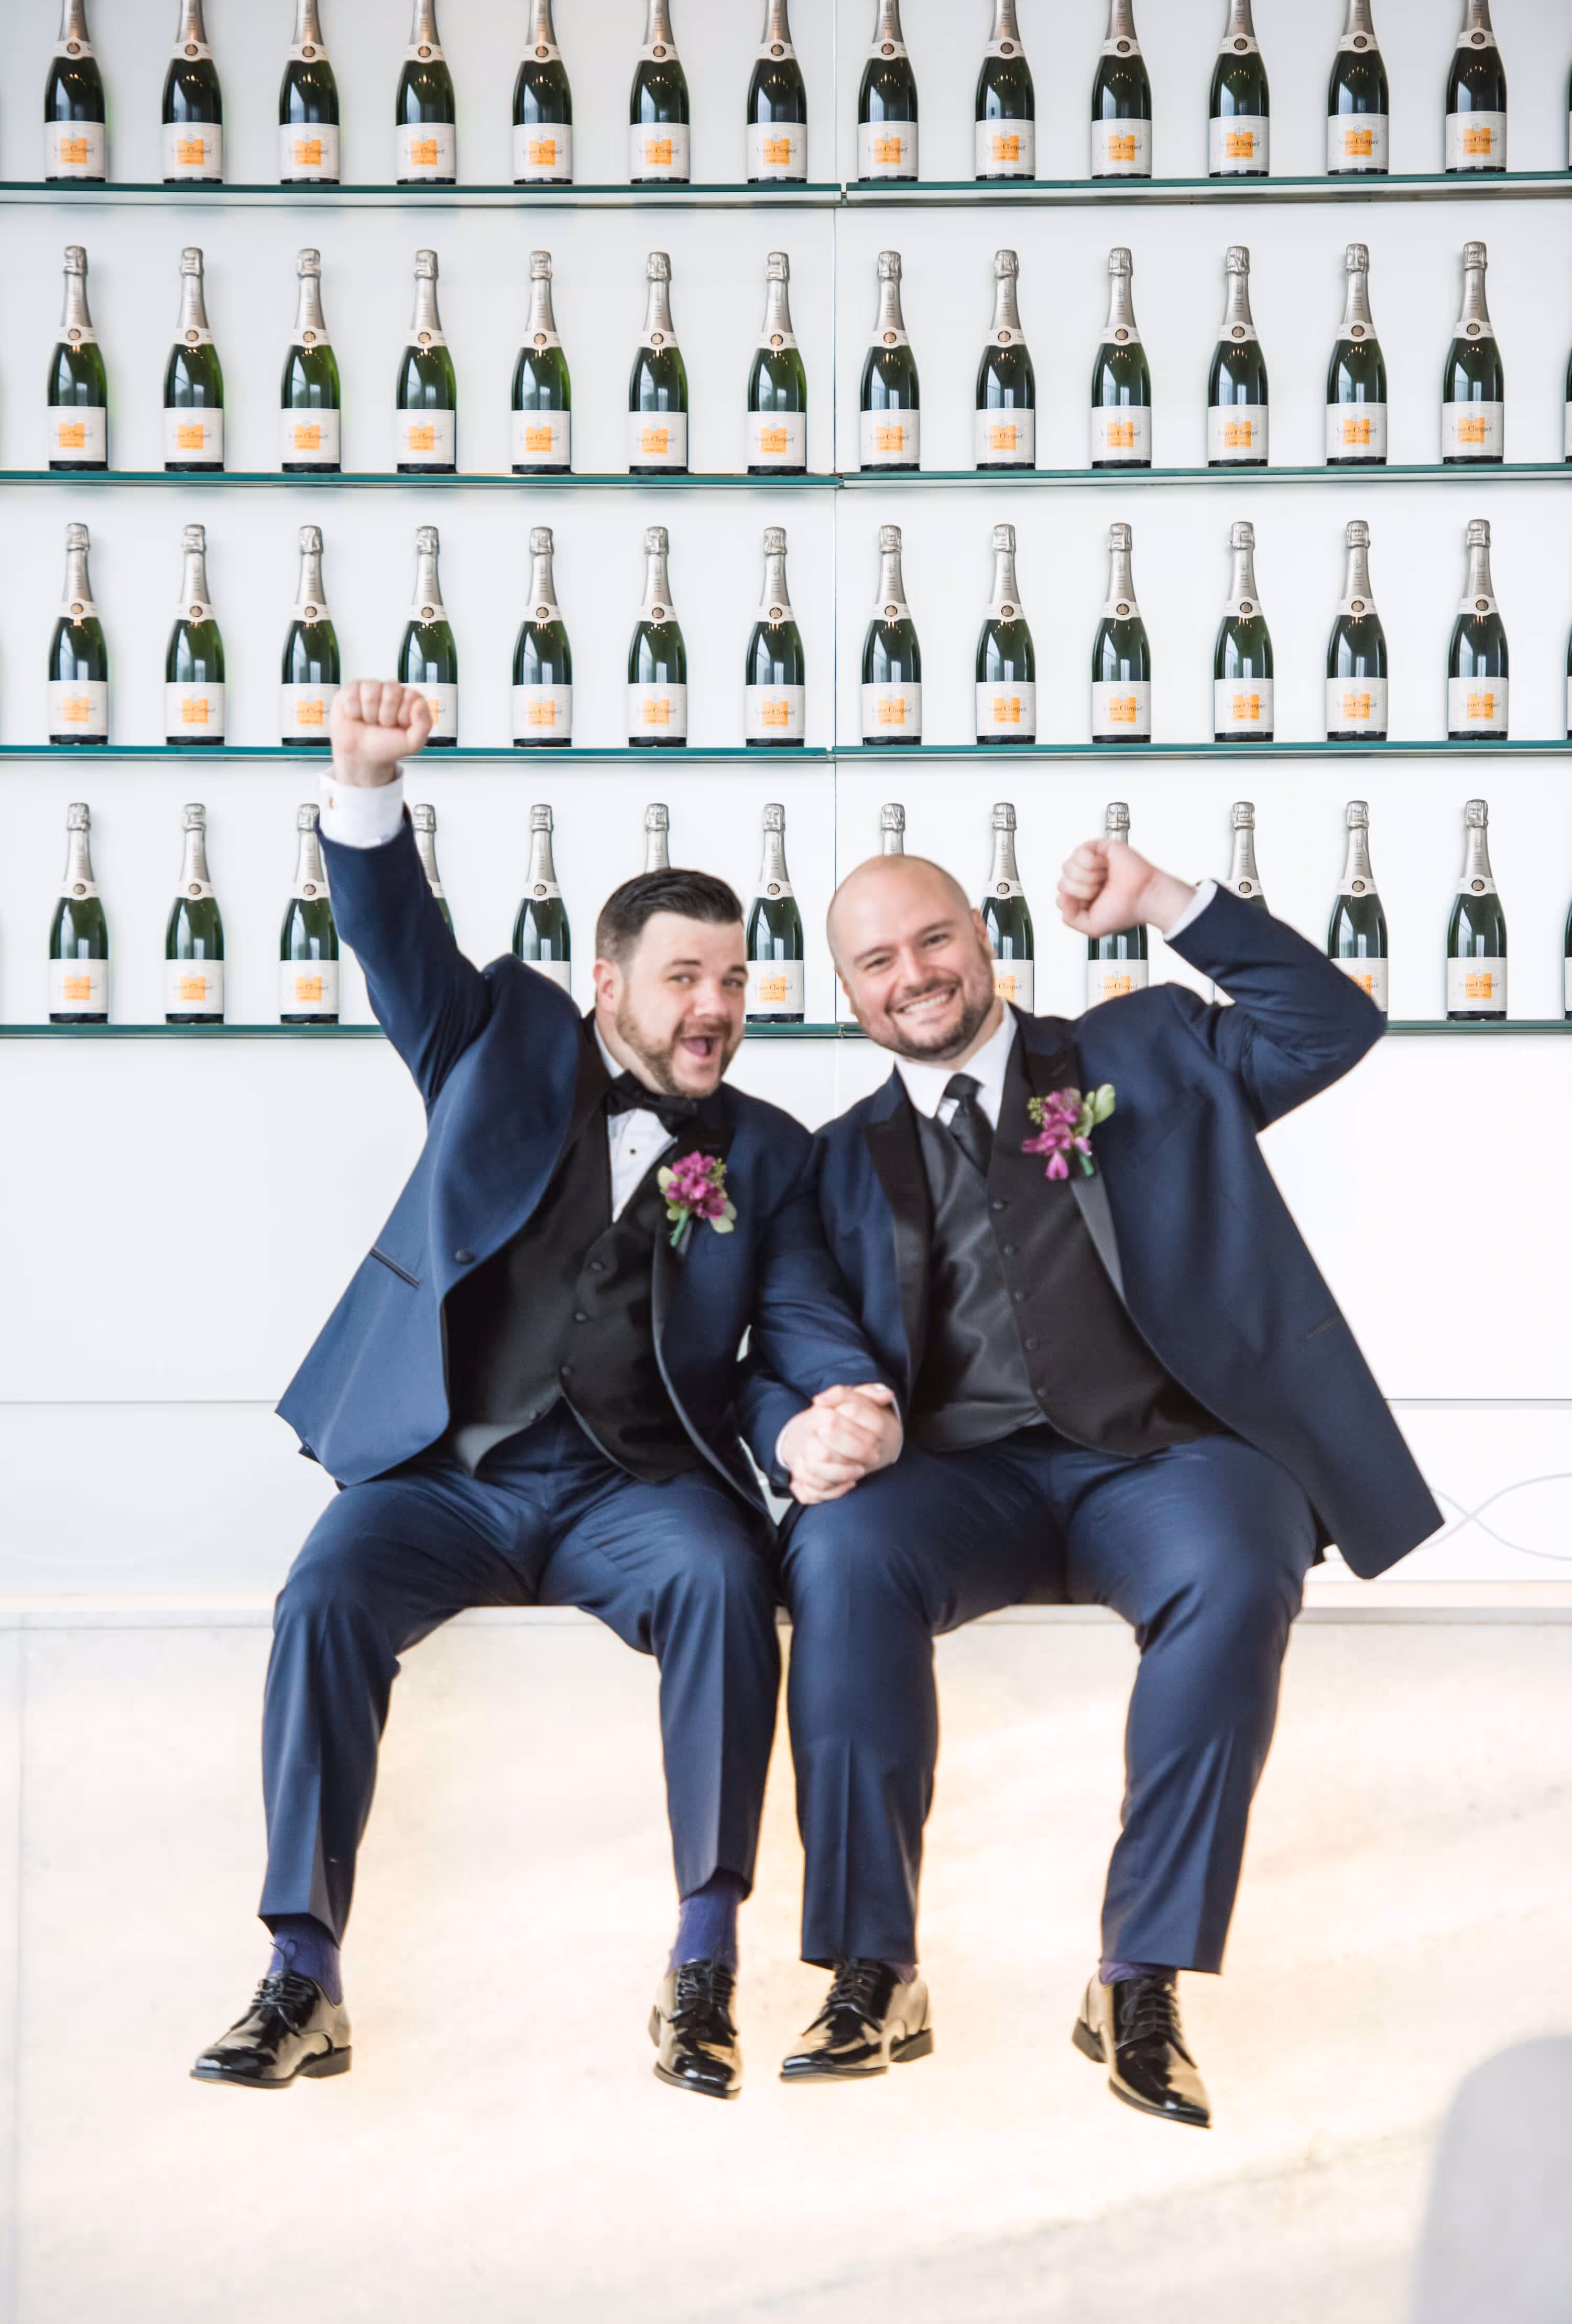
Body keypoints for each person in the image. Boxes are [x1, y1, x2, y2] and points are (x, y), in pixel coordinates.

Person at [192, 681, 900, 2100]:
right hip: (445, 1474)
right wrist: (366, 788)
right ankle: (300, 1970)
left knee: (722, 1581)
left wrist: (852, 1397)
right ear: (609, 983)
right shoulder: (498, 1039)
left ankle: (705, 1961)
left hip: (634, 1492)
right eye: (684, 977)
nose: (714, 1007)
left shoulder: (771, 1151)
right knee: (323, 1592)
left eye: (735, 980)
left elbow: (802, 1319)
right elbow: (398, 943)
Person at [740, 833, 1442, 2123]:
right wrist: (826, 1414)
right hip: (962, 1485)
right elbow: (789, 1330)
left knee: (1241, 1567)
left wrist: (1166, 903)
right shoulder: (833, 1161)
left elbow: (1332, 1024)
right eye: (879, 961)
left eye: (935, 939)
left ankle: (1141, 1978)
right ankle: (871, 1969)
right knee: (835, 1553)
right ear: (848, 995)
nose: (917, 976)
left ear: (984, 938)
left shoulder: (1148, 1050)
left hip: (1171, 1459)